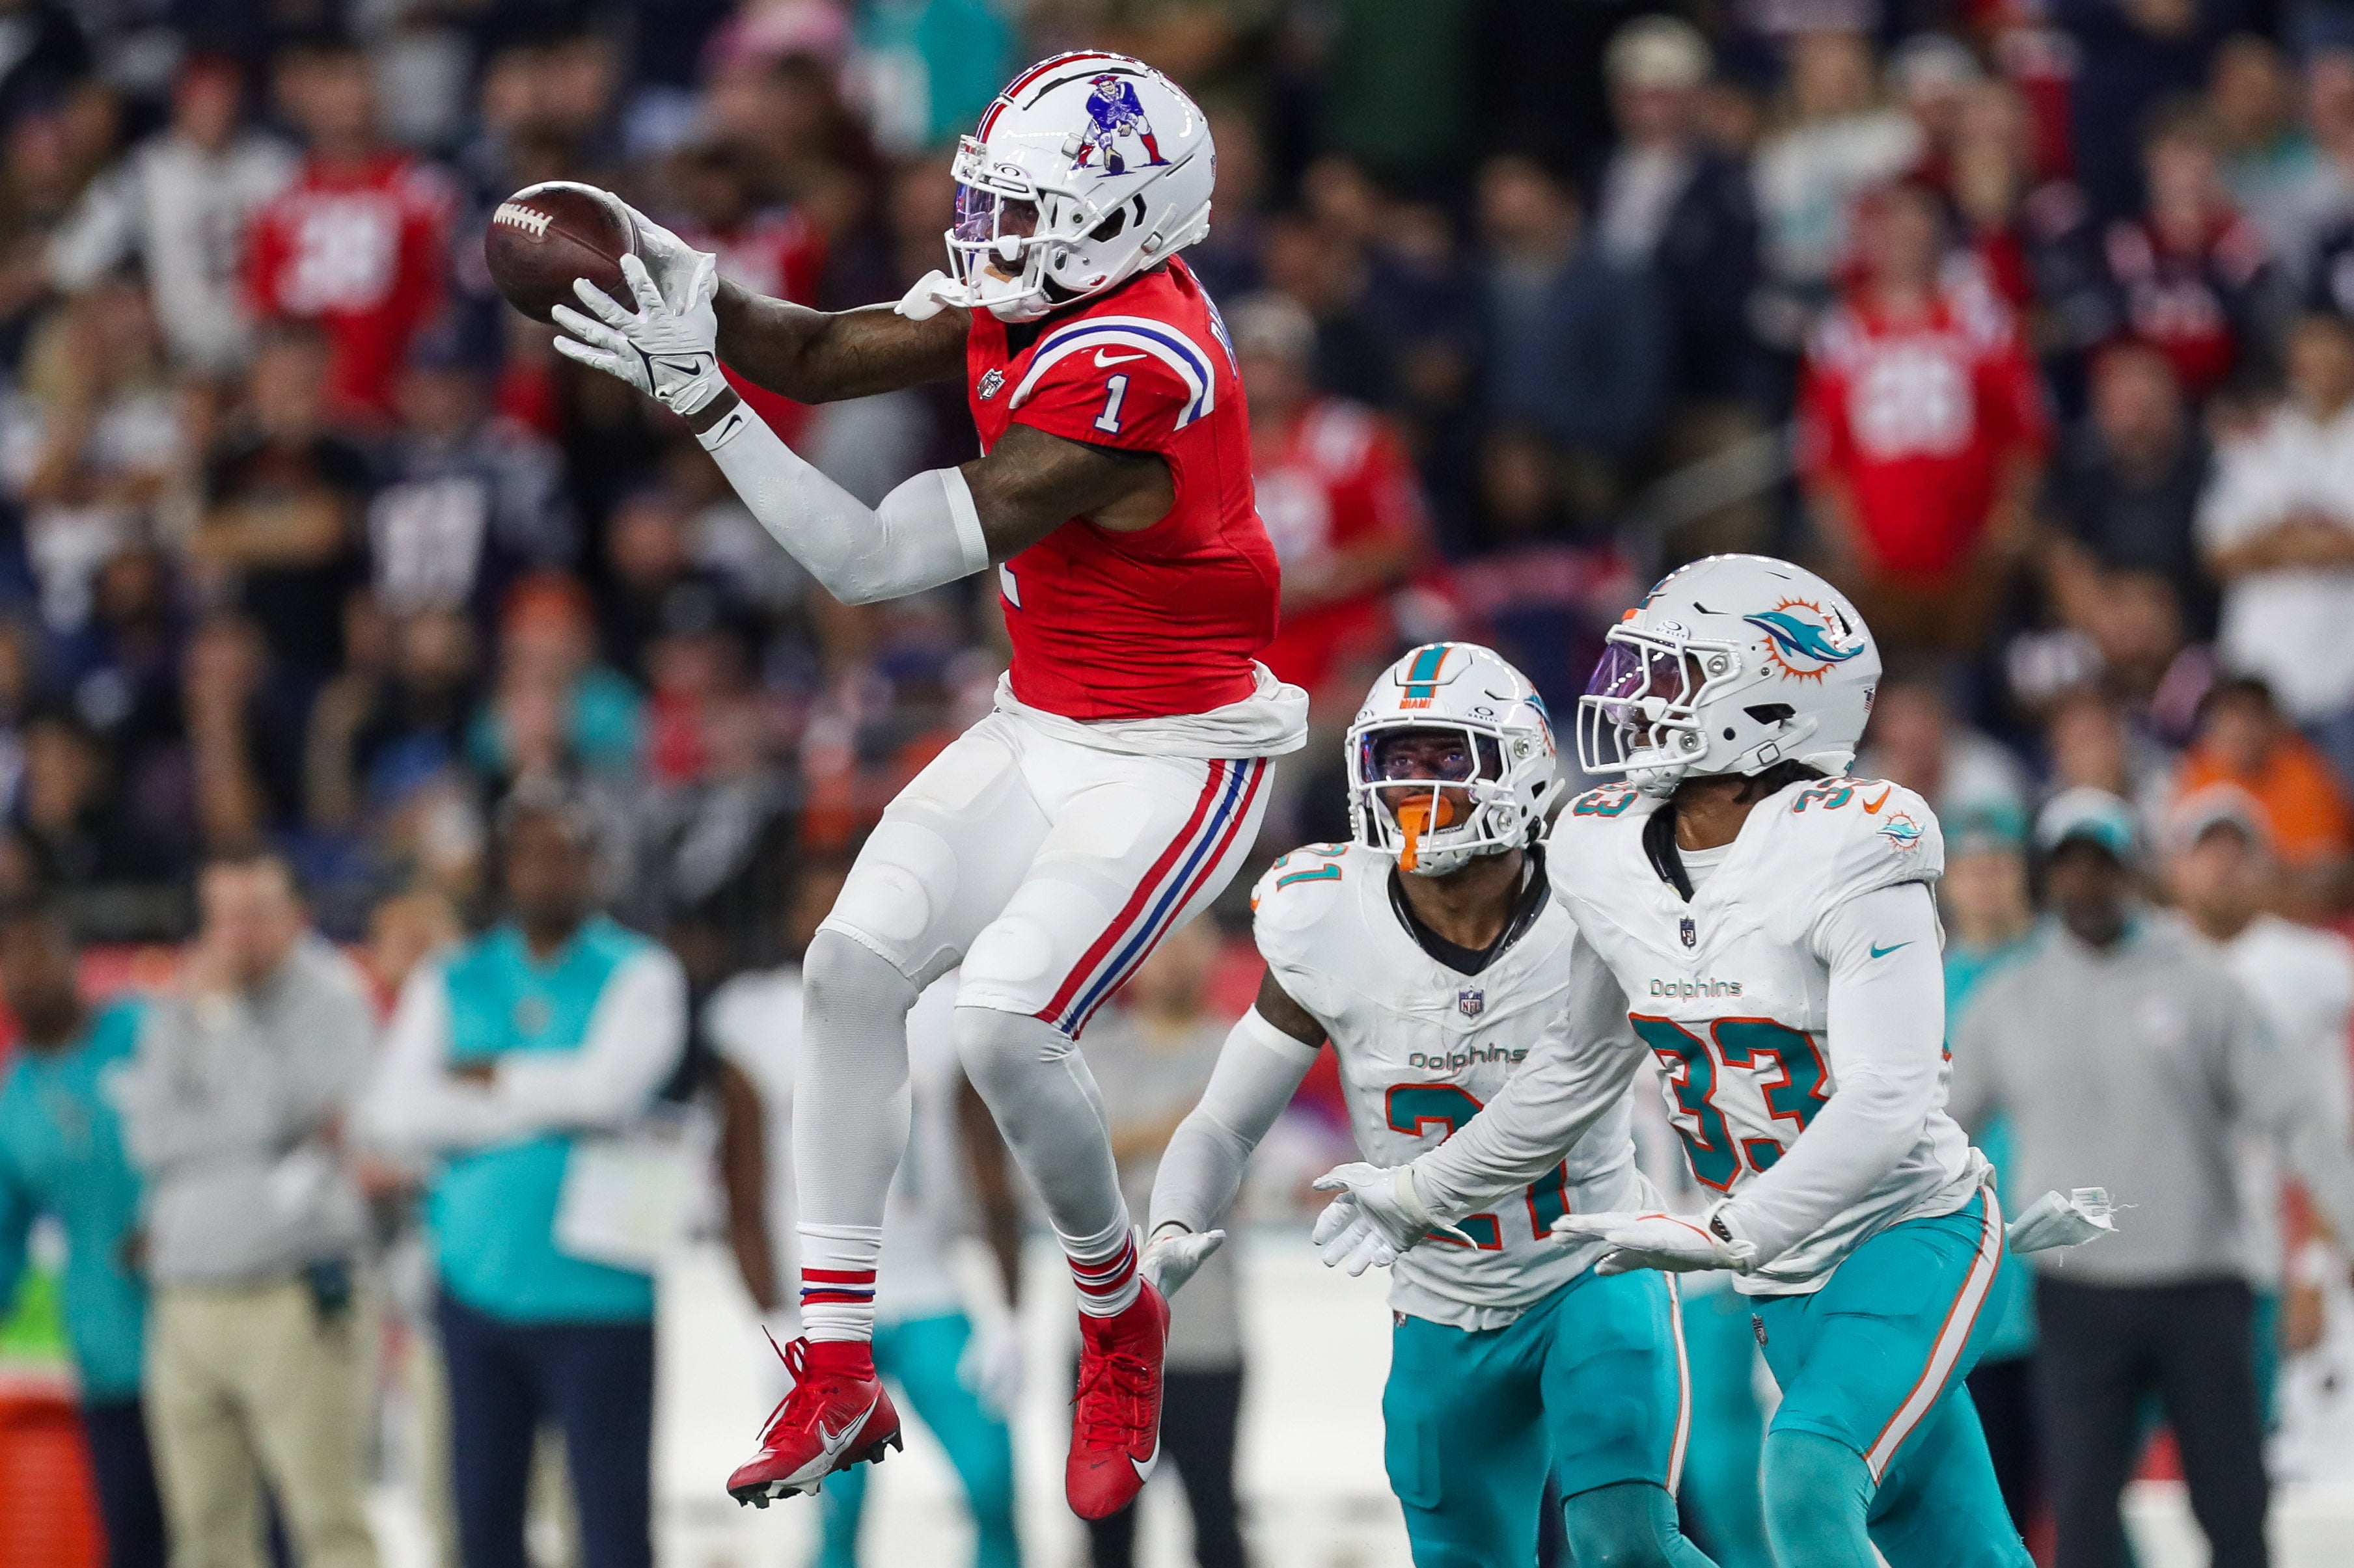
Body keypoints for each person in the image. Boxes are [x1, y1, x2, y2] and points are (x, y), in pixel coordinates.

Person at [549, 50, 1304, 1520]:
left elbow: (871, 560)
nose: (988, 240)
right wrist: (674, 276)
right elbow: (824, 353)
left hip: (1175, 756)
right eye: (990, 203)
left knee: (1007, 1024)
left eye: (1025, 214)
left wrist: (701, 408)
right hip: (1042, 717)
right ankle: (834, 1365)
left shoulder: (1132, 365)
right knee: (844, 968)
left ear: (1126, 225)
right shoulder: (1050, 286)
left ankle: (1114, 1314)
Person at [1309, 556, 2047, 1568]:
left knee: (1807, 1469)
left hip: (1907, 1231)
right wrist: (1419, 1192)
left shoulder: (1860, 842)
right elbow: (1575, 1067)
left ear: (1771, 701)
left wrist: (1731, 1227)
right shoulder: (1599, 846)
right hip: (1782, 1267)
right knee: (1951, 1541)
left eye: (1670, 676)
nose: (1631, 699)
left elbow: (1886, 1096)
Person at [1149, 643, 1712, 1568]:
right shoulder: (1323, 914)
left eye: (1446, 756)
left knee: (1623, 1545)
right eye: (1395, 760)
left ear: (1524, 762)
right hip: (1438, 1307)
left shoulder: (1597, 895)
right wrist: (1171, 1219)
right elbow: (1223, 1121)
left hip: (1590, 1270)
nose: (1416, 785)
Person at [1950, 788, 2354, 1568]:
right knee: (2082, 1512)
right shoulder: (2008, 1002)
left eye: (2102, 865)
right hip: (2077, 1298)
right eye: (2069, 868)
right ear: (2047, 878)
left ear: (2130, 871)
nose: (2086, 884)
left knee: (2232, 1506)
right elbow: (1933, 1139)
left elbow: (2294, 1116)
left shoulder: (2200, 983)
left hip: (2199, 1283)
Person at [359, 791, 688, 1568]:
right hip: (476, 1293)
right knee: (483, 1524)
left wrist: (487, 1075)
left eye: (564, 853)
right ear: (506, 868)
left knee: (611, 1527)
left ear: (595, 865)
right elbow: (397, 1115)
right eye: (530, 854)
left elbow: (610, 1091)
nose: (546, 872)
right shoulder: (452, 976)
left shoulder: (641, 971)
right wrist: (549, 1100)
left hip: (601, 1295)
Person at [705, 859, 1024, 1568]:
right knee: (834, 1510)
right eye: (817, 911)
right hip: (818, 1306)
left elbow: (989, 1170)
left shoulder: (944, 1012)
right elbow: (741, 1192)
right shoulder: (756, 1019)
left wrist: (1008, 1310)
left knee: (993, 1482)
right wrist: (773, 1323)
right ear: (792, 921)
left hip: (928, 1284)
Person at [116, 850, 380, 1568]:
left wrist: (226, 1018)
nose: (236, 936)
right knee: (204, 1534)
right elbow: (147, 1138)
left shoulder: (332, 996)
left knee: (328, 1522)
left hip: (292, 1297)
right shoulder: (179, 998)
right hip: (187, 1302)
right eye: (221, 918)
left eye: (256, 915)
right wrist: (250, 1128)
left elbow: (272, 1112)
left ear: (298, 915)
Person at [2164, 785, 2354, 1420]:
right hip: (2154, 1255)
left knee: (2256, 1445)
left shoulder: (2313, 966)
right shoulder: (2140, 961)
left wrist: (2316, 1269)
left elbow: (2330, 1125)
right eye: (2205, 850)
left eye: (2236, 850)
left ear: (2263, 864)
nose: (2221, 866)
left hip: (2262, 1250)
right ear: (2175, 866)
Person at [1800, 180, 2048, 655]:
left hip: (1972, 563)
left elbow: (2024, 436)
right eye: (1891, 230)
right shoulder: (1839, 334)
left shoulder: (1981, 321)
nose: (1903, 243)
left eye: (1916, 229)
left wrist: (2004, 528)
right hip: (1878, 568)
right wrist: (1850, 552)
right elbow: (1823, 459)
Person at [0, 900, 162, 1568]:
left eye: (41, 952)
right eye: (12, 961)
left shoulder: (148, 1030)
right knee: (132, 1539)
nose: (29, 973)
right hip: (108, 1349)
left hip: (213, 1316)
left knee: (242, 1532)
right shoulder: (13, 1103)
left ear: (76, 960)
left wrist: (172, 1223)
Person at [1085, 921, 1248, 1568]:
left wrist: (1141, 1137)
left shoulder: (1240, 1050)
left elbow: (1247, 1164)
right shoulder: (1092, 1051)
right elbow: (1061, 1165)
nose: (1176, 958)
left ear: (1215, 951)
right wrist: (1192, 1125)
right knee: (1105, 1531)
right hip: (1102, 1338)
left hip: (1207, 1332)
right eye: (1162, 943)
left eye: (1192, 939)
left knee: (1216, 1521)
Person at [1938, 804, 2044, 1535]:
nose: (1984, 882)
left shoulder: (2065, 969)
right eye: (1969, 868)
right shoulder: (1914, 985)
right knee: (1988, 1502)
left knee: (2083, 1492)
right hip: (1961, 1273)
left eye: (1998, 864)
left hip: (2062, 1271)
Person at [2198, 311, 2354, 794]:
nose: (2323, 360)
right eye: (2311, 346)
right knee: (2250, 823)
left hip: (2345, 678)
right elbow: (2218, 551)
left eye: (2335, 345)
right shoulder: (2258, 436)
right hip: (2259, 673)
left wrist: (2274, 536)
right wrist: (2323, 539)